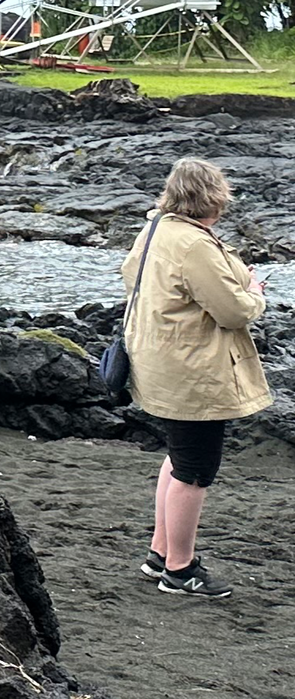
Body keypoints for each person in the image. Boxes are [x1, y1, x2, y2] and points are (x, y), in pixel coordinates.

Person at [122, 158, 271, 599]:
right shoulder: (194, 244)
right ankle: (180, 570)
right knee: (195, 470)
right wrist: (255, 295)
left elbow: (131, 277)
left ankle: (160, 553)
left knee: (179, 457)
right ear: (215, 199)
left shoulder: (156, 229)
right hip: (193, 371)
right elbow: (233, 311)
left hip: (161, 362)